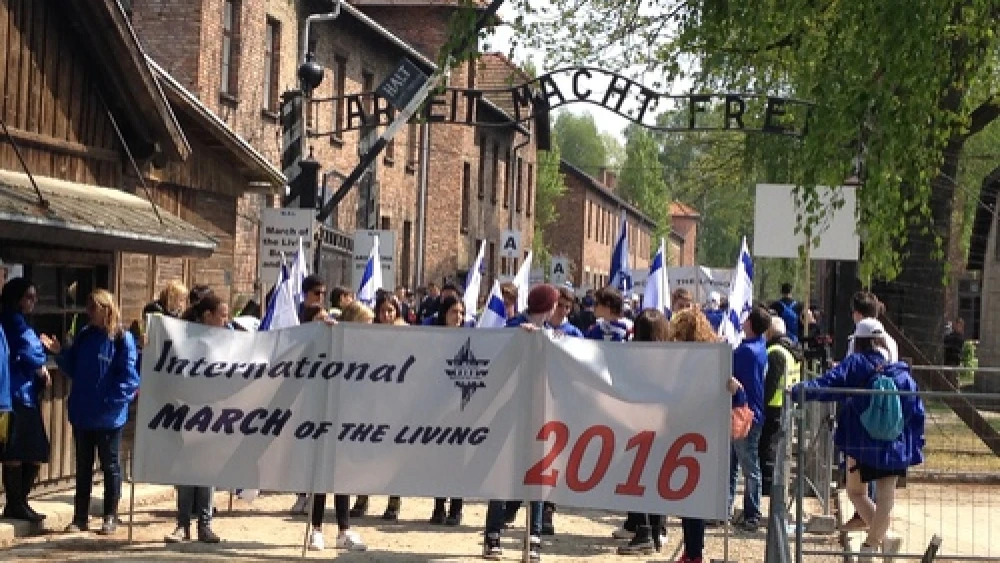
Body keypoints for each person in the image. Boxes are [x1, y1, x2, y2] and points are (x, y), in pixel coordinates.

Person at [791, 318, 925, 559]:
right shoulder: (900, 372)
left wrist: (801, 390)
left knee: (855, 492)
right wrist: (914, 443)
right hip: (893, 444)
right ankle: (879, 539)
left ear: (858, 341)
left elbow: (828, 383)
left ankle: (873, 544)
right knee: (886, 494)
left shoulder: (856, 364)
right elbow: (916, 410)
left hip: (861, 442)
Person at [44, 290, 140, 534]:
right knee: (83, 467)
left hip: (108, 417)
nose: (88, 311)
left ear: (106, 309)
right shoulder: (85, 335)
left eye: (92, 307)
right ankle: (80, 517)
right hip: (82, 413)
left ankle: (110, 515)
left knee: (110, 466)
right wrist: (59, 352)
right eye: (87, 306)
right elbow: (74, 368)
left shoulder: (121, 338)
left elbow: (129, 380)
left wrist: (109, 402)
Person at [483, 284, 560, 561]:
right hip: (509, 411)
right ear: (548, 306)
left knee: (538, 474)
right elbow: (497, 357)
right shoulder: (514, 326)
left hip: (540, 411)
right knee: (503, 473)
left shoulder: (552, 334)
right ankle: (493, 534)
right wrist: (518, 338)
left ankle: (534, 537)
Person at [666, 307, 739, 563]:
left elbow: (738, 392)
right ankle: (692, 550)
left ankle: (694, 552)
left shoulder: (712, 359)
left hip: (700, 433)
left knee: (691, 496)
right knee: (689, 496)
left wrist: (732, 388)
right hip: (695, 432)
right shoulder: (710, 356)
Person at [162, 294, 229, 544]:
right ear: (207, 316)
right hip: (186, 410)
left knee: (208, 470)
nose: (226, 321)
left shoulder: (229, 340)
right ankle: (182, 525)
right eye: (222, 316)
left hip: (214, 412)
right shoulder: (185, 338)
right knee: (187, 468)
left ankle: (205, 524)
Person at [307, 301, 368, 552]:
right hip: (324, 414)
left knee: (342, 474)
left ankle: (344, 529)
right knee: (321, 474)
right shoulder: (333, 340)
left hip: (348, 414)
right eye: (365, 324)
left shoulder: (364, 349)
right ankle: (316, 529)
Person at [616, 308, 672, 555]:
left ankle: (644, 533)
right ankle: (658, 530)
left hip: (638, 423)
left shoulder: (633, 357)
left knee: (636, 479)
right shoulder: (673, 357)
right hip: (664, 424)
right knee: (657, 477)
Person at [349, 293, 406, 521]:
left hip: (396, 404)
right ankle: (362, 498)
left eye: (391, 310)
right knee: (366, 451)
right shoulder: (367, 336)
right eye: (383, 310)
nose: (387, 315)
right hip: (370, 403)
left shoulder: (408, 336)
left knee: (392, 454)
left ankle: (394, 501)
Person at [0, 278, 51, 522]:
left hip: (23, 392)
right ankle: (15, 503)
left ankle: (19, 501)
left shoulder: (15, 320)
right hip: (16, 393)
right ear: (17, 298)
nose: (33, 302)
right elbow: (32, 350)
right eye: (29, 297)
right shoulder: (12, 320)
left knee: (32, 450)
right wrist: (40, 362)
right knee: (19, 450)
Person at [728, 305, 770, 531]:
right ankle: (737, 509)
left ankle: (752, 514)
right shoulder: (760, 347)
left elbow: (735, 375)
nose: (742, 323)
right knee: (738, 462)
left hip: (744, 413)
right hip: (753, 413)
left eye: (746, 320)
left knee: (746, 465)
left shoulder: (746, 352)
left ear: (751, 325)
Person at [430, 295, 467, 525]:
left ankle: (456, 507)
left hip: (462, 409)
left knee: (459, 460)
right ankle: (438, 506)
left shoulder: (469, 338)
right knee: (439, 460)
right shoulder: (434, 339)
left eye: (461, 313)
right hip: (438, 407)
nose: (459, 317)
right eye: (454, 312)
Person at [759, 316, 803, 494]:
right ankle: (774, 484)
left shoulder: (775, 352)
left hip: (773, 406)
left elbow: (770, 383)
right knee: (778, 448)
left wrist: (761, 405)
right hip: (787, 404)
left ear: (769, 332)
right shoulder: (792, 349)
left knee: (767, 447)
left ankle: (768, 485)